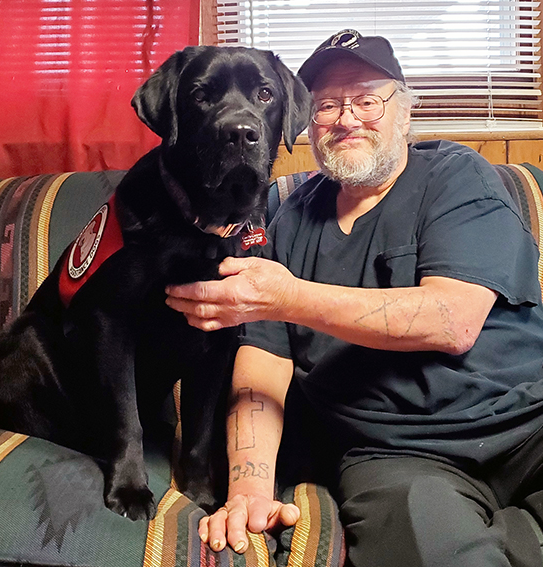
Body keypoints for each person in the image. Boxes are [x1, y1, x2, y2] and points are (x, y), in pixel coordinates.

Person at [166, 29, 543, 567]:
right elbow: (263, 361)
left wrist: (287, 297)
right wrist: (250, 488)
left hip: (526, 421)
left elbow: (452, 320)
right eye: (326, 106)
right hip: (397, 457)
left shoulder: (456, 176)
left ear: (404, 113)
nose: (346, 119)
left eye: (367, 100)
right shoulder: (287, 221)